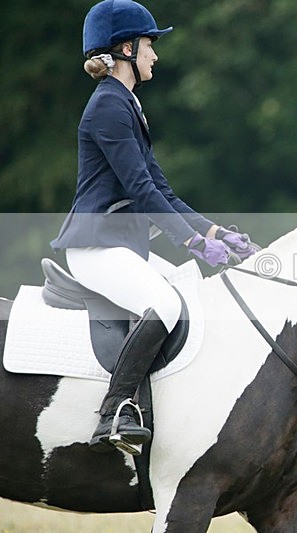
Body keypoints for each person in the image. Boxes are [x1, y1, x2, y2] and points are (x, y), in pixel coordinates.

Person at [51, 0, 259, 454]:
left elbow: (161, 189)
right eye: (149, 45)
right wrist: (190, 241)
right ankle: (116, 410)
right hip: (95, 247)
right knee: (164, 304)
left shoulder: (126, 103)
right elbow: (141, 193)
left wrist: (212, 233)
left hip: (121, 247)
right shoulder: (108, 107)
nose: (155, 55)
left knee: (189, 289)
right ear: (126, 48)